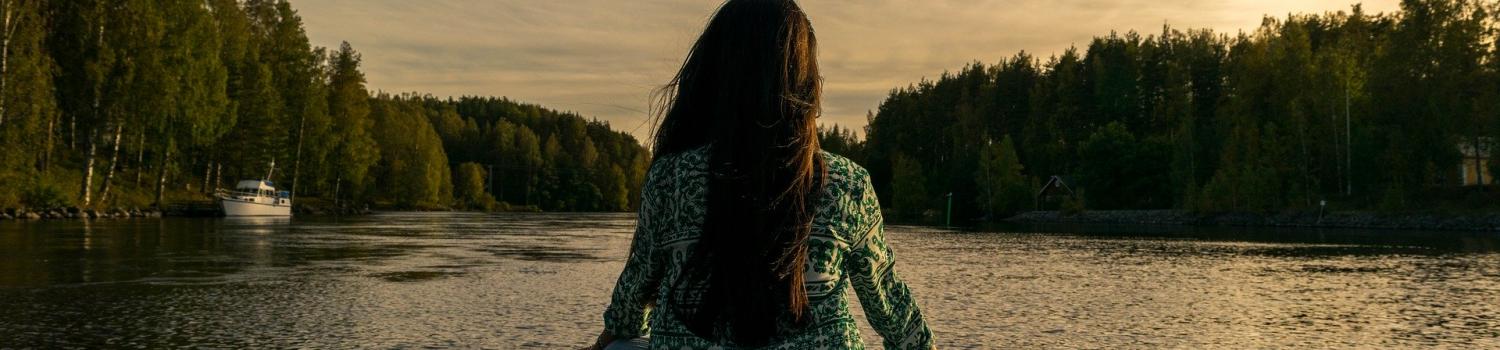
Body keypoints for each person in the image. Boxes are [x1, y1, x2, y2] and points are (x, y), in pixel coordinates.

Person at [582, 0, 933, 349]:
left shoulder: (671, 179)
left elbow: (630, 308)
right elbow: (894, 314)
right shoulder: (847, 185)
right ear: (807, 84)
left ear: (715, 76)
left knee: (622, 347)